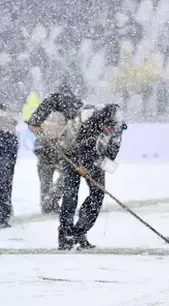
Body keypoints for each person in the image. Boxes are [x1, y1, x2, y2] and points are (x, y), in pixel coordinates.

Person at [29, 103, 126, 249]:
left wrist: (98, 166)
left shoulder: (117, 130)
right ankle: (65, 235)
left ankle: (79, 231)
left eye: (113, 128)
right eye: (107, 127)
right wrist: (80, 164)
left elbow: (111, 152)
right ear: (101, 121)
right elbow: (77, 144)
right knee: (70, 196)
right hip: (72, 158)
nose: (110, 130)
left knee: (97, 195)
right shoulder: (87, 120)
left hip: (96, 161)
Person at [28, 84, 83, 214]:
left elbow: (33, 126)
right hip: (60, 149)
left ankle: (46, 205)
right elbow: (72, 134)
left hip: (43, 147)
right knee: (67, 175)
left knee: (45, 178)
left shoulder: (44, 110)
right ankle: (51, 200)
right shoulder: (71, 112)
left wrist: (42, 135)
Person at [0, 102, 19, 229]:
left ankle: (4, 213)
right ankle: (4, 215)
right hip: (8, 149)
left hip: (6, 147)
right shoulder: (9, 119)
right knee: (5, 184)